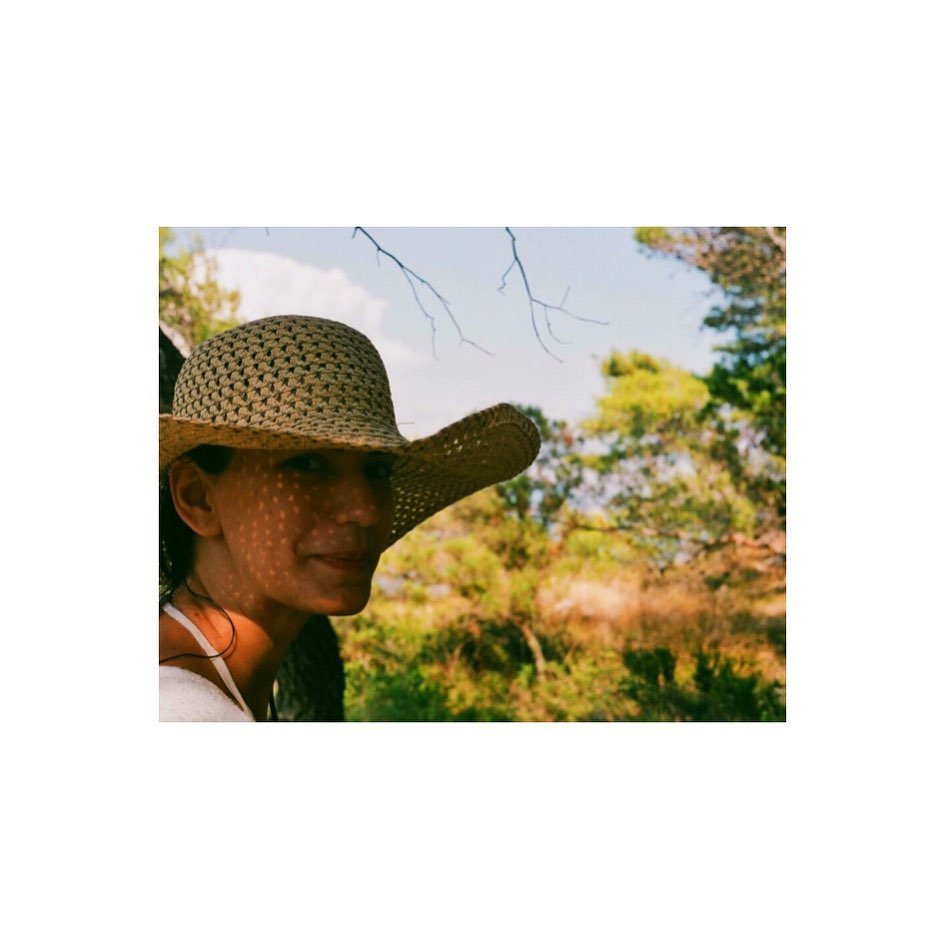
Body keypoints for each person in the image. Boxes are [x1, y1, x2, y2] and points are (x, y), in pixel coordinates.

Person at [159, 315, 540, 721]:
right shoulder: (185, 711)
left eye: (377, 470)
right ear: (197, 497)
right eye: (307, 465)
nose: (366, 510)